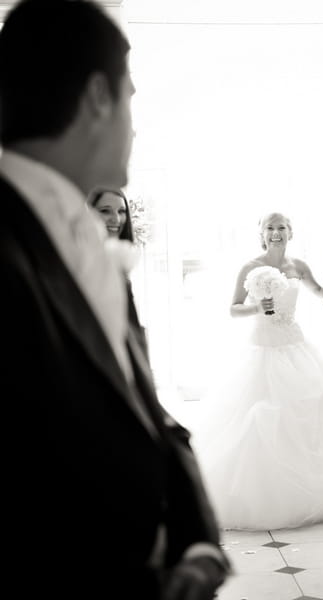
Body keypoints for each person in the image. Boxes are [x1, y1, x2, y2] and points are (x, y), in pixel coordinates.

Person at [0, 1, 229, 598]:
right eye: (131, 98)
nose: (135, 123)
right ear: (99, 97)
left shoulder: (89, 241)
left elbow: (140, 407)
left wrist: (198, 539)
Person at [186, 212, 323, 531]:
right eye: (270, 227)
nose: (276, 232)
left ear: (290, 232)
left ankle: (319, 499)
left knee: (311, 415)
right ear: (262, 233)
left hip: (295, 347)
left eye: (281, 227)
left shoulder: (298, 266)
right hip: (261, 349)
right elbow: (233, 307)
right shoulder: (250, 267)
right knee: (258, 420)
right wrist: (257, 307)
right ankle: (264, 499)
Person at [89, 186, 149, 355]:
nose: (116, 219)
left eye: (121, 211)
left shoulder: (122, 259)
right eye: (105, 211)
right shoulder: (85, 259)